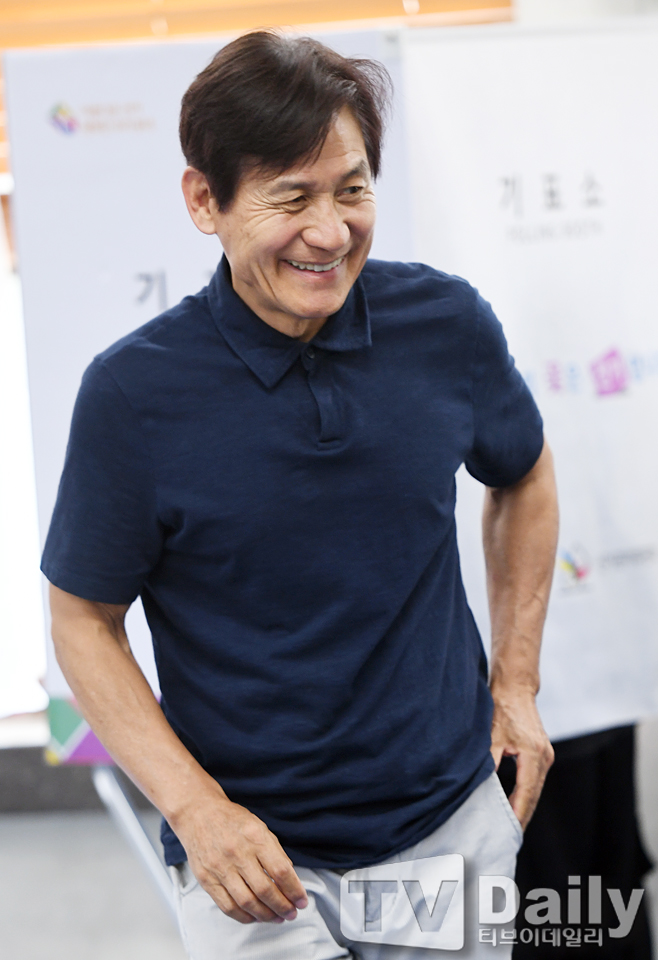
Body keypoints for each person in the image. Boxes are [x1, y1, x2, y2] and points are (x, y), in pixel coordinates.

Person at [43, 31, 558, 960]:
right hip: (251, 864)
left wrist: (516, 683)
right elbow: (83, 619)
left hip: (451, 828)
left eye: (351, 189)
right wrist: (196, 811)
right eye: (291, 197)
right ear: (204, 200)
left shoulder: (445, 326)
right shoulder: (132, 394)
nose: (330, 232)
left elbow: (522, 473)